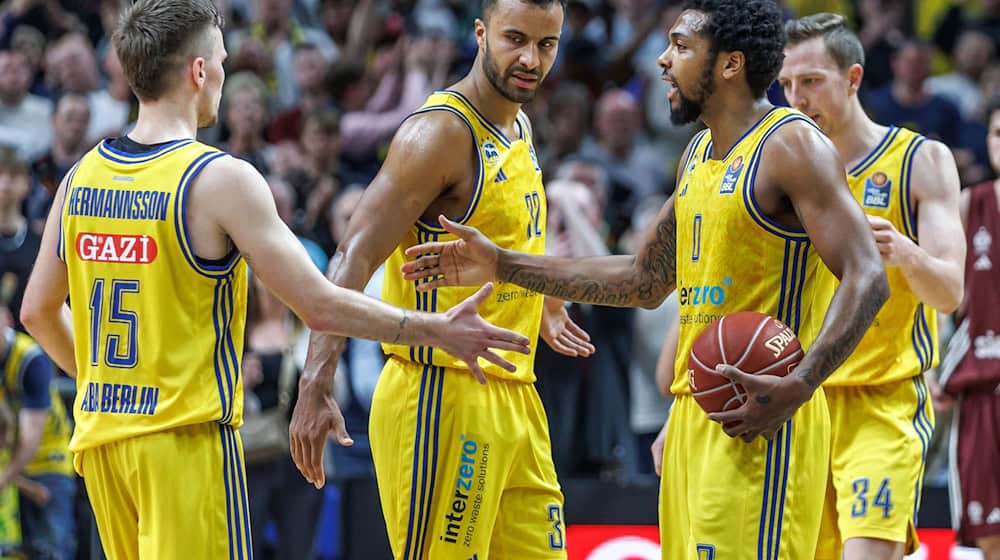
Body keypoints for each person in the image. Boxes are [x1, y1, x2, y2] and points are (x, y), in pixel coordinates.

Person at [18, 1, 531, 558]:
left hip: (101, 444)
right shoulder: (217, 179)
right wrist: (435, 328)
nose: (224, 66)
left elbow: (37, 314)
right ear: (198, 71)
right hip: (183, 447)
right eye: (220, 57)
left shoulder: (80, 177)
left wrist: (104, 380)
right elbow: (320, 304)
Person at [400, 1, 891, 558]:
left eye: (681, 47)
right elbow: (642, 279)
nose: (662, 60)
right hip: (691, 418)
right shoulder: (701, 152)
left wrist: (799, 384)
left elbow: (868, 276)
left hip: (761, 418)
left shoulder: (791, 146)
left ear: (729, 65)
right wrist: (504, 265)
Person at [287, 1, 597, 558]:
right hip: (440, 392)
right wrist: (315, 382)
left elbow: (514, 227)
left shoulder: (520, 123)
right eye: (515, 39)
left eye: (546, 45)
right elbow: (351, 258)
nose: (530, 58)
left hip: (517, 395)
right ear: (480, 34)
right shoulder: (439, 133)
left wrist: (542, 300)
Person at [778, 13, 967, 560]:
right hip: (801, 402)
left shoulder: (920, 160)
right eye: (787, 84)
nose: (796, 98)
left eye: (811, 82)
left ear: (853, 78)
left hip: (882, 403)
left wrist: (904, 252)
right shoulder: (781, 169)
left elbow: (949, 292)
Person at [934, 95, 1000, 560]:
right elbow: (937, 297)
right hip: (982, 390)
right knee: (988, 533)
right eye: (998, 134)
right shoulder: (967, 205)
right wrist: (933, 363)